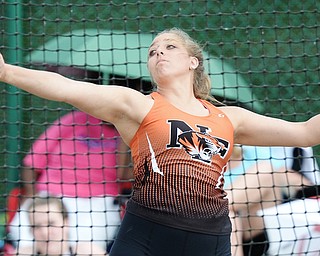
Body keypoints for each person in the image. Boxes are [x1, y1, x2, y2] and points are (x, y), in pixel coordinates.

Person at [1, 27, 320, 256]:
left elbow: (305, 132)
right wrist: (7, 73)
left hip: (210, 236)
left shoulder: (230, 118)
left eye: (169, 47)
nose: (158, 53)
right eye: (153, 51)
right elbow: (64, 87)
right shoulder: (138, 105)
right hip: (147, 231)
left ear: (193, 61)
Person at [7, 111, 132, 253]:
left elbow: (125, 175)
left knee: (88, 249)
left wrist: (127, 132)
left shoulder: (131, 130)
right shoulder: (74, 119)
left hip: (100, 202)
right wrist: (31, 194)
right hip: (50, 195)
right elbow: (31, 162)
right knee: (25, 244)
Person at [225, 145, 320, 256]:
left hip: (257, 231)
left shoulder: (252, 152)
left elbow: (289, 177)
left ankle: (218, 205)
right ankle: (218, 206)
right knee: (227, 216)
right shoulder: (203, 163)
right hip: (223, 229)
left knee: (265, 170)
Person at [16, 195, 107, 255]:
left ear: (66, 223)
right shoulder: (21, 254)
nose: (45, 232)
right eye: (37, 226)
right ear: (31, 230)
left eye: (51, 224)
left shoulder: (90, 252)